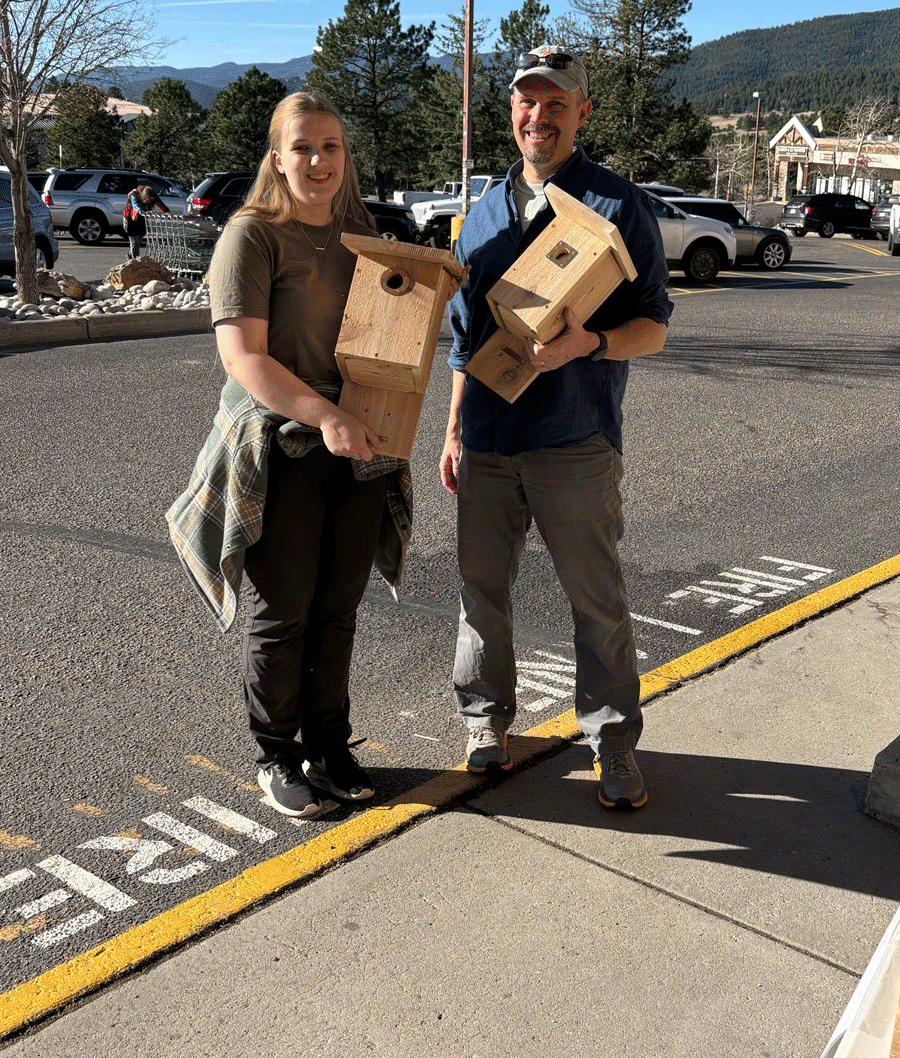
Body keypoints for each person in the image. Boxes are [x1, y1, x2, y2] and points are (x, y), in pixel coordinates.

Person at [440, 45, 672, 809]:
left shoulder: (615, 205)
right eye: (525, 101)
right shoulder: (481, 211)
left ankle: (612, 745)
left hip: (575, 441)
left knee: (596, 600)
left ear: (582, 112)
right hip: (488, 441)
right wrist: (451, 432)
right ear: (511, 109)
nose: (536, 115)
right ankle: (485, 722)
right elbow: (463, 340)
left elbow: (654, 328)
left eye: (553, 102)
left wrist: (591, 344)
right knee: (481, 594)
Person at [167, 91, 410, 820]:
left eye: (331, 147)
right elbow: (243, 357)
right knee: (283, 615)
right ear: (277, 158)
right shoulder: (251, 236)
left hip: (358, 441)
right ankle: (276, 753)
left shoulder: (360, 229)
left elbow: (392, 322)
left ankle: (329, 744)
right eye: (303, 147)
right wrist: (323, 414)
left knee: (339, 610)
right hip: (282, 446)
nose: (318, 161)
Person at [123, 185, 170, 259]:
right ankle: (135, 261)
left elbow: (160, 203)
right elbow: (136, 206)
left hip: (141, 219)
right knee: (134, 241)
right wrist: (144, 212)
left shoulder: (152, 195)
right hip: (130, 219)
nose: (150, 201)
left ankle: (131, 255)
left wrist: (167, 211)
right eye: (148, 199)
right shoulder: (134, 195)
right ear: (144, 196)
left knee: (139, 240)